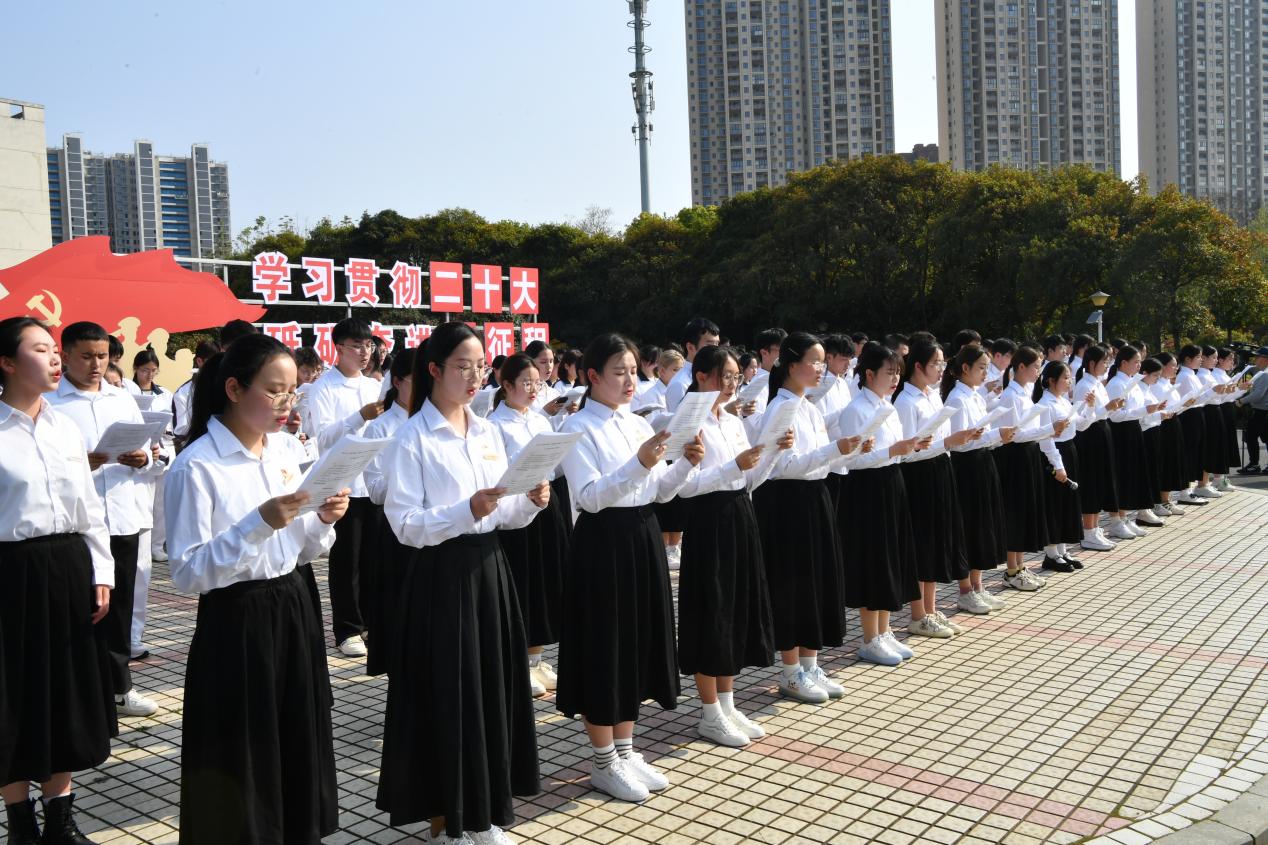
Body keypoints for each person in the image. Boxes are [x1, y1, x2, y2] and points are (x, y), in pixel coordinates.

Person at [166, 333, 349, 845]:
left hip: (294, 604)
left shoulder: (288, 451)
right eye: (274, 391)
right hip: (236, 621)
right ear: (232, 387)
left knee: (297, 737)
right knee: (243, 750)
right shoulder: (196, 466)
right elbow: (186, 572)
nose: (286, 406)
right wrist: (258, 524)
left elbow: (302, 547)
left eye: (293, 393)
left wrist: (324, 521)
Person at [376, 323, 549, 844]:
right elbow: (405, 524)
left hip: (490, 572)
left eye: (480, 366)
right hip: (440, 579)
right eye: (462, 366)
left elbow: (505, 513)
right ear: (433, 370)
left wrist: (529, 502)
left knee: (491, 693)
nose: (475, 376)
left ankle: (486, 812)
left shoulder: (488, 429)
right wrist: (463, 510)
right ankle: (449, 822)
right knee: (448, 699)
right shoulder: (410, 437)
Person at [556, 334, 704, 804]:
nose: (629, 382)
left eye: (633, 372)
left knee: (636, 641)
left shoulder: (636, 424)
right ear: (591, 375)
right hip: (602, 545)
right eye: (618, 373)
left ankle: (625, 748)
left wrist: (683, 466)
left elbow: (659, 491)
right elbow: (590, 497)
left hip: (642, 537)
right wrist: (639, 465)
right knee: (605, 647)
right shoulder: (577, 429)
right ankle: (602, 761)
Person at [0, 317, 118, 845]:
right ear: (6, 362)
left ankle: (61, 819)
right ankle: (20, 822)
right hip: (9, 574)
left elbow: (88, 509)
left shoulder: (64, 427)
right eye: (41, 349)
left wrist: (101, 573)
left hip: (68, 569)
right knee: (14, 696)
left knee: (65, 692)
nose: (54, 359)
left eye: (55, 349)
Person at [46, 321, 161, 719]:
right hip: (76, 525)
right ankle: (78, 693)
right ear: (65, 356)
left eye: (103, 356)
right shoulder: (50, 403)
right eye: (86, 356)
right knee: (80, 609)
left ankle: (118, 688)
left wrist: (142, 458)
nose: (96, 365)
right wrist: (81, 463)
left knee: (120, 607)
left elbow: (147, 451)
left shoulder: (122, 398)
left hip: (124, 516)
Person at [675, 345, 788, 747]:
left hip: (740, 514)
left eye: (736, 377)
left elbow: (748, 480)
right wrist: (731, 467)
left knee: (736, 609)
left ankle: (727, 701)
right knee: (713, 611)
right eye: (723, 376)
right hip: (708, 521)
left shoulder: (731, 419)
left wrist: (772, 453)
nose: (730, 384)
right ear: (701, 376)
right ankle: (708, 712)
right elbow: (681, 488)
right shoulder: (688, 421)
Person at [755, 332, 863, 700]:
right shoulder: (779, 408)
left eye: (822, 362)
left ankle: (810, 663)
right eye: (814, 362)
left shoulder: (810, 407)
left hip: (814, 497)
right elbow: (783, 467)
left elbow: (818, 459)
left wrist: (847, 452)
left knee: (815, 581)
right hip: (787, 504)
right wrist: (835, 449)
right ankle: (789, 670)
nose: (821, 369)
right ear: (790, 365)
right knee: (792, 584)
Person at [835, 342, 927, 663]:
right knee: (874, 560)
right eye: (889, 373)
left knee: (892, 556)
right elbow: (853, 462)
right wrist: (892, 451)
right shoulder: (856, 410)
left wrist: (911, 446)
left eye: (897, 373)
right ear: (869, 373)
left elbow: (894, 450)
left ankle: (885, 631)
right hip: (867, 490)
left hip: (891, 484)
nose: (895, 380)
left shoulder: (887, 407)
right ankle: (870, 637)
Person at [489, 353, 572, 698]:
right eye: (525, 383)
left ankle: (536, 660)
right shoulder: (495, 425)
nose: (534, 389)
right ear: (506, 385)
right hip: (515, 514)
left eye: (537, 382)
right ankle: (517, 665)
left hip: (546, 507)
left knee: (545, 584)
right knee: (522, 585)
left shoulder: (540, 421)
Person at [303, 317, 385, 657]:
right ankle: (347, 629)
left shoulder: (374, 386)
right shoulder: (324, 388)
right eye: (357, 346)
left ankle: (370, 622)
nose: (365, 353)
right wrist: (359, 417)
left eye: (369, 346)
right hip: (343, 485)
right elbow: (322, 439)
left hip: (375, 481)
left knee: (373, 560)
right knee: (345, 562)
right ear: (338, 348)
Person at [893, 339, 981, 637]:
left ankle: (930, 609)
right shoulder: (905, 402)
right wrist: (947, 443)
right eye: (936, 364)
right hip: (918, 477)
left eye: (943, 364)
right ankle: (918, 614)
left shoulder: (931, 397)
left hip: (939, 470)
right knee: (923, 544)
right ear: (918, 366)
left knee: (936, 541)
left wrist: (953, 440)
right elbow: (905, 452)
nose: (941, 369)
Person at [941, 344, 1012, 614]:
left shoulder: (974, 395)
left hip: (983, 462)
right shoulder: (957, 399)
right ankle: (965, 590)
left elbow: (979, 434)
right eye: (981, 368)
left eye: (986, 367)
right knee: (970, 526)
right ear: (965, 369)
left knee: (984, 524)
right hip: (966, 467)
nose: (985, 373)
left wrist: (996, 435)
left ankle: (978, 585)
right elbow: (960, 442)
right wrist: (995, 436)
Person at [993, 346, 1068, 590]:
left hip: (1029, 454)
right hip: (1014, 457)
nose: (1038, 371)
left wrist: (1048, 435)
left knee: (1026, 512)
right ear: (1021, 367)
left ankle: (1020, 566)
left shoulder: (1025, 393)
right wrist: (1049, 429)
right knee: (1016, 512)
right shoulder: (1010, 396)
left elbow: (1033, 431)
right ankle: (1012, 570)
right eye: (1035, 366)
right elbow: (1013, 434)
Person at [360, 348, 416, 678]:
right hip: (394, 529)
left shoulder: (432, 422)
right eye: (416, 380)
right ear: (397, 382)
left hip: (432, 530)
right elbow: (377, 489)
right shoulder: (381, 428)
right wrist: (412, 477)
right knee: (397, 607)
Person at [129, 348, 174, 661]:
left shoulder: (165, 394)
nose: (149, 375)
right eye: (144, 369)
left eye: (153, 370)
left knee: (160, 506)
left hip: (155, 458)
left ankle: (133, 637)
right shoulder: (127, 394)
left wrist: (152, 454)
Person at [1034, 361, 1094, 571]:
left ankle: (1062, 550)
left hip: (1070, 450)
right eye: (1066, 377)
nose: (1070, 382)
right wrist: (1057, 465)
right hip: (1055, 455)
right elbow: (1046, 438)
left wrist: (1089, 405)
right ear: (1052, 380)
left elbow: (1083, 424)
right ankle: (1051, 554)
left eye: (1070, 377)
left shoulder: (1063, 401)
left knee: (1068, 504)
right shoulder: (1045, 404)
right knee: (1055, 504)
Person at [173, 340, 223, 451]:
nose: (218, 366)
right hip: (197, 448)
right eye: (212, 362)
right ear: (199, 361)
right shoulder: (184, 393)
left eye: (221, 362)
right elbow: (182, 430)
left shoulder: (226, 387)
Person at [664, 317, 721, 413]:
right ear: (690, 347)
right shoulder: (679, 384)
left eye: (717, 344)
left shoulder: (717, 376)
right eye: (710, 345)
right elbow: (679, 424)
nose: (716, 350)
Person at [1240, 346, 1268, 474]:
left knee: (1250, 436)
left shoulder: (1264, 374)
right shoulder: (1263, 373)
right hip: (1263, 410)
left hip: (1262, 411)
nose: (1255, 358)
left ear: (1265, 359)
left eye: (1258, 356)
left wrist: (1241, 401)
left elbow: (1258, 394)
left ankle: (1254, 464)